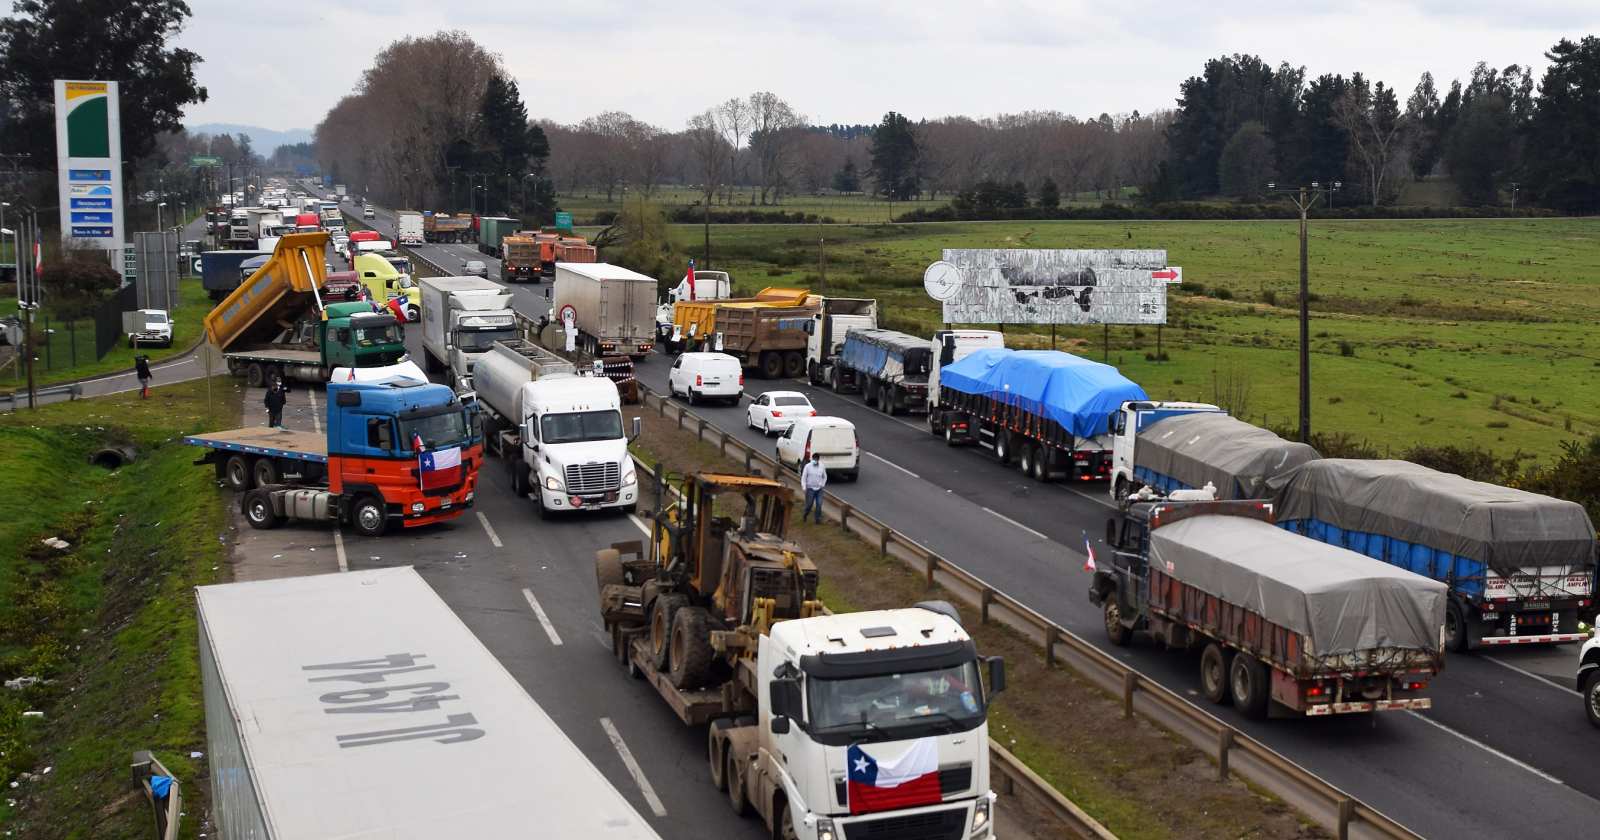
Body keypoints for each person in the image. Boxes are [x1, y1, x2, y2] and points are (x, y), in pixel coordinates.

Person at [801, 453, 828, 524]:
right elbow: (803, 478)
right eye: (814, 459)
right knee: (809, 505)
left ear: (818, 459)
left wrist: (822, 484)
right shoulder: (807, 466)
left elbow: (825, 476)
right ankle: (805, 515)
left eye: (817, 459)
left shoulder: (822, 466)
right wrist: (804, 487)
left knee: (819, 504)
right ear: (812, 459)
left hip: (819, 489)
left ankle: (817, 519)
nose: (815, 461)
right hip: (810, 489)